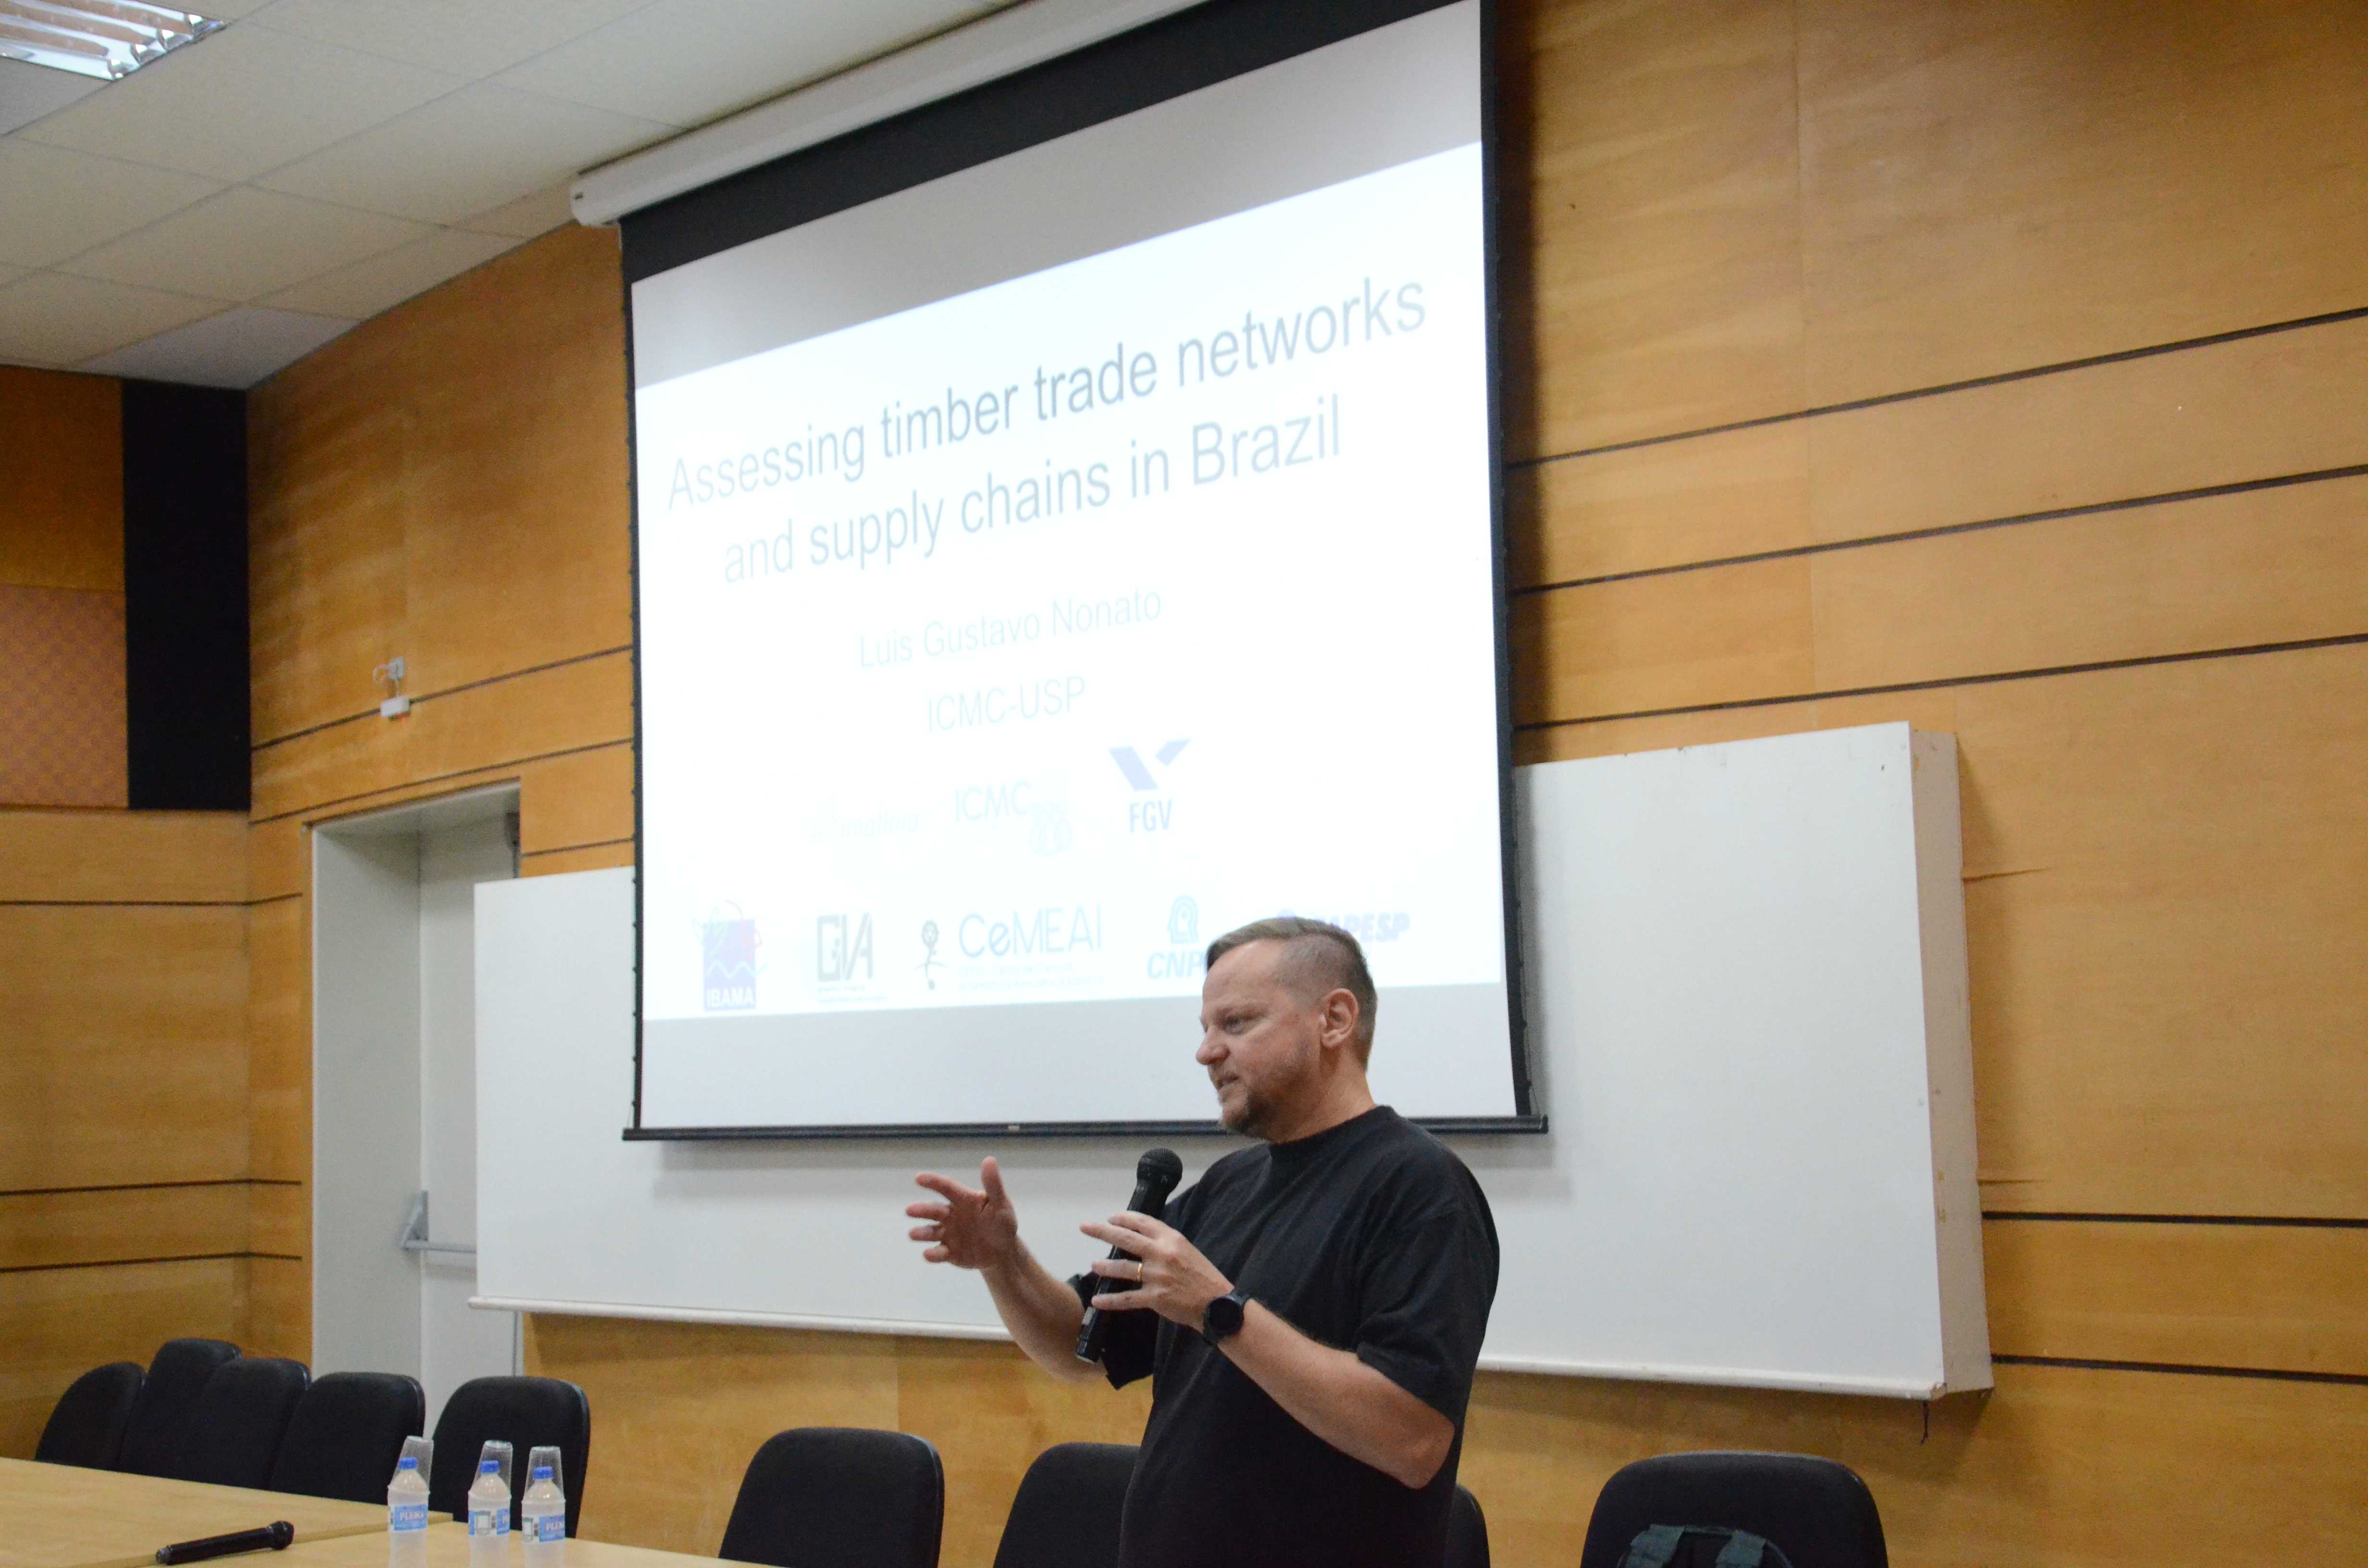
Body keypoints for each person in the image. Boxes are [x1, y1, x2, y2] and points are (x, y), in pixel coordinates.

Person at [907, 917, 1499, 1568]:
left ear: (1333, 1020)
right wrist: (1005, 1262)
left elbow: (1411, 1439)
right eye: (1204, 1030)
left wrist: (1220, 1310)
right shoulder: (1229, 1186)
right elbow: (1080, 1348)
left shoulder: (1420, 1188)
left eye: (1237, 1024)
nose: (1207, 1052)